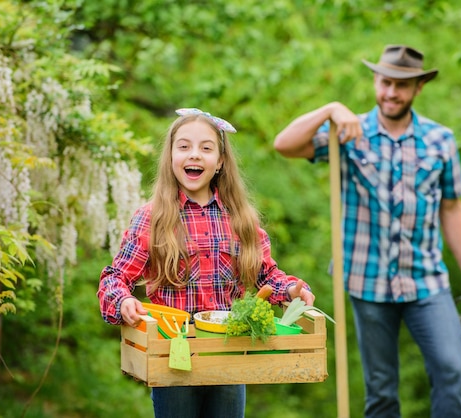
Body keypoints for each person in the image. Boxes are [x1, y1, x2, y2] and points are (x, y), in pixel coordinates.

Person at [273, 45, 461, 418]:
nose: (392, 92)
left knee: (453, 370)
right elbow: (284, 144)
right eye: (385, 82)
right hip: (367, 281)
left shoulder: (441, 140)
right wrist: (329, 110)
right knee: (381, 390)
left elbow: (452, 208)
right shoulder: (348, 132)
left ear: (418, 88)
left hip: (426, 280)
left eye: (402, 85)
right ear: (376, 81)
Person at [98, 108, 315, 418]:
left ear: (221, 161)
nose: (194, 155)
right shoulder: (152, 218)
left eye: (206, 147)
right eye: (184, 146)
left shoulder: (239, 218)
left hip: (228, 350)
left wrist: (292, 289)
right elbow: (114, 278)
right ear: (170, 155)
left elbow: (267, 275)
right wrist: (123, 301)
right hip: (174, 353)